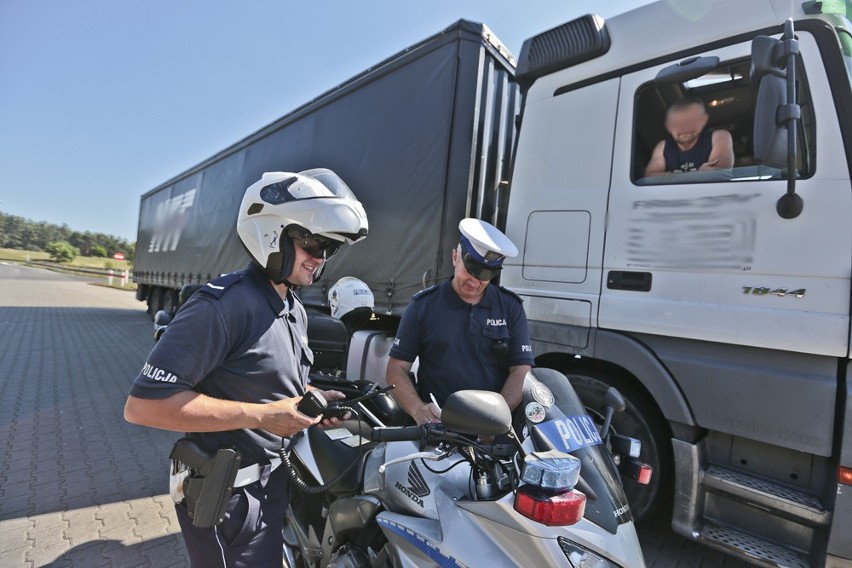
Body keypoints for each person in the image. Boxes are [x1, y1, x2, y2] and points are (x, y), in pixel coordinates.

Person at [124, 168, 368, 567]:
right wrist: (263, 417)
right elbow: (143, 407)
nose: (319, 258)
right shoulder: (222, 306)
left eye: (329, 248)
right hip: (229, 501)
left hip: (271, 487)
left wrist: (312, 403)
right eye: (312, 242)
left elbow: (269, 387)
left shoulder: (293, 308)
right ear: (271, 233)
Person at [386, 219, 534, 425]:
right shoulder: (423, 306)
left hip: (490, 431)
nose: (475, 281)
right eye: (470, 270)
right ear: (455, 257)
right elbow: (396, 369)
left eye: (484, 275)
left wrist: (497, 418)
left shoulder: (510, 307)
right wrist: (418, 410)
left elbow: (521, 371)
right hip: (438, 425)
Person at [644, 97, 734, 176]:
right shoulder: (663, 146)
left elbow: (718, 174)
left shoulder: (719, 137)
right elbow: (650, 177)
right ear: (668, 126)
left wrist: (669, 176)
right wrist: (699, 173)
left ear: (703, 121)